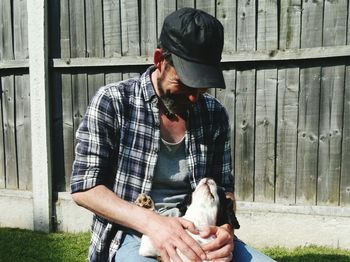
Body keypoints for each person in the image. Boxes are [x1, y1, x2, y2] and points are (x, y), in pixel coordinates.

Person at [71, 7, 275, 262]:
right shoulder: (113, 101)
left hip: (200, 233)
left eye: (200, 86)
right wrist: (154, 224)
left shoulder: (214, 113)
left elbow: (225, 189)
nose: (193, 96)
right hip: (130, 233)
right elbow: (84, 188)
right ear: (159, 59)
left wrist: (226, 230)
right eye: (184, 83)